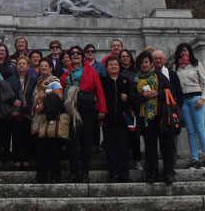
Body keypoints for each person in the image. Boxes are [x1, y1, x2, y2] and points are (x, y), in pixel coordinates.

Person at [61, 45, 107, 183]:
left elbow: (99, 90)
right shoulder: (65, 74)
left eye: (78, 53)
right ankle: (74, 172)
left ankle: (85, 172)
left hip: (87, 110)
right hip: (71, 110)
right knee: (73, 142)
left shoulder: (90, 71)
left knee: (86, 142)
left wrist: (102, 110)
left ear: (82, 56)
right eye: (72, 53)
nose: (75, 55)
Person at [134, 51, 177, 184]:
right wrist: (143, 97)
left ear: (151, 63)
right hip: (146, 118)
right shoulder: (136, 79)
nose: (144, 65)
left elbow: (171, 90)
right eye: (142, 63)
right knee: (150, 147)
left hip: (161, 116)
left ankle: (169, 172)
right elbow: (132, 97)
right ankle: (152, 173)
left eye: (146, 62)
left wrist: (157, 93)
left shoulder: (159, 76)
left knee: (166, 146)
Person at [173, 43, 205, 169]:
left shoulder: (196, 64)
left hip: (196, 99)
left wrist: (203, 98)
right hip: (184, 100)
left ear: (189, 52)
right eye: (181, 51)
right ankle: (194, 158)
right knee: (190, 130)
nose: (183, 53)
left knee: (200, 129)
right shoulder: (177, 67)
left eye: (185, 50)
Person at [101, 55, 134, 182]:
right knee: (110, 146)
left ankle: (124, 173)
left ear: (119, 66)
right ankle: (113, 173)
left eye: (115, 64)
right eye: (111, 65)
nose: (113, 67)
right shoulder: (103, 81)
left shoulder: (125, 80)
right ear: (107, 67)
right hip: (108, 118)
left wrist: (128, 98)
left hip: (123, 119)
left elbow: (133, 96)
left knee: (123, 146)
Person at [31, 57, 64, 183]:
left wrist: (44, 105)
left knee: (52, 149)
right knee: (41, 151)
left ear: (51, 68)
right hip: (38, 120)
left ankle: (55, 176)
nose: (43, 68)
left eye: (46, 66)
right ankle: (41, 176)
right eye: (41, 66)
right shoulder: (39, 80)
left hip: (49, 118)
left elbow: (58, 96)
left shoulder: (53, 80)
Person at [8, 56, 36, 169]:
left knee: (27, 136)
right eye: (19, 64)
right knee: (16, 136)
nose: (21, 65)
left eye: (24, 64)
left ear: (28, 66)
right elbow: (7, 93)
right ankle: (16, 159)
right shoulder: (11, 79)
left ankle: (26, 159)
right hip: (15, 111)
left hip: (28, 112)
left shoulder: (33, 80)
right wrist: (13, 101)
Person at [118, 48, 141, 169]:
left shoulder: (137, 73)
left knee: (135, 135)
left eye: (127, 56)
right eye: (123, 56)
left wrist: (130, 97)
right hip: (122, 108)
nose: (125, 58)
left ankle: (137, 159)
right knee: (123, 136)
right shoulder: (118, 72)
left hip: (134, 107)